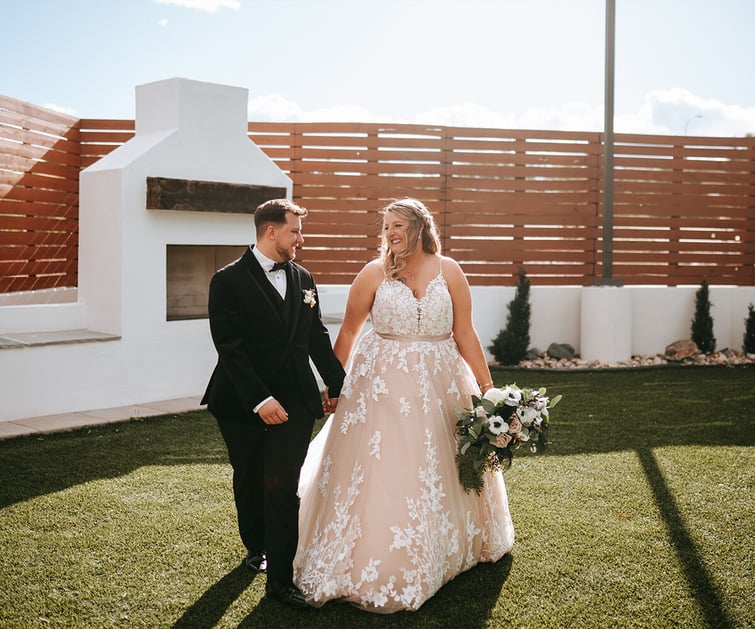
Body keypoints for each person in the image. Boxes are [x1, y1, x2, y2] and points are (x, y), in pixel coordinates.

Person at [293, 198, 515, 613]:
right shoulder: (373, 273)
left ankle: (445, 549)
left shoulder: (450, 270)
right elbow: (348, 332)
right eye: (386, 227)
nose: (390, 233)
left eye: (398, 225)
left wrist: (490, 393)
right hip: (380, 389)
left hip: (442, 386)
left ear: (420, 227)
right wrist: (334, 384)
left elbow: (465, 333)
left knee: (439, 465)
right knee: (387, 467)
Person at [201, 199, 345, 608]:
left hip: (297, 401)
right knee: (249, 477)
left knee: (282, 487)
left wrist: (337, 384)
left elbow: (315, 336)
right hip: (241, 402)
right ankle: (256, 547)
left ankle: (281, 581)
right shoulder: (226, 281)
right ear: (271, 231)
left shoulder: (303, 277)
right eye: (296, 230)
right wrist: (259, 399)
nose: (301, 238)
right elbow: (230, 348)